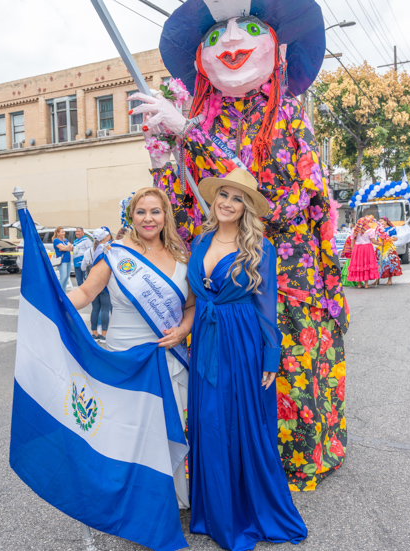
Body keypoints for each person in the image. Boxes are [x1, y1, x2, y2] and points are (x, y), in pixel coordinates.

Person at [131, 0, 349, 490]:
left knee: (284, 358)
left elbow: (276, 197)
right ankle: (224, 457)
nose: (229, 40)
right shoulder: (199, 119)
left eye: (247, 27)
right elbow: (188, 210)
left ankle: (289, 456)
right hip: (218, 271)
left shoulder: (288, 117)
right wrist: (166, 157)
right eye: (215, 34)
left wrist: (189, 133)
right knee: (221, 369)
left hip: (285, 273)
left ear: (278, 47)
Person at [187, 169, 307, 549]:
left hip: (242, 341)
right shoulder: (199, 242)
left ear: (246, 208)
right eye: (223, 195)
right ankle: (215, 510)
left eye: (237, 198)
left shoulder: (261, 248)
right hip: (205, 337)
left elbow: (266, 307)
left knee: (242, 422)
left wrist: (271, 357)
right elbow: (192, 298)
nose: (227, 202)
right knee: (208, 422)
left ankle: (247, 508)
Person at [68, 187, 195, 509]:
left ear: (165, 215)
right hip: (127, 360)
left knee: (171, 429)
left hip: (169, 358)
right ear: (131, 216)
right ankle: (138, 502)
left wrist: (183, 329)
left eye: (155, 211)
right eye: (141, 212)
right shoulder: (114, 254)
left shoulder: (182, 256)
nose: (148, 218)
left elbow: (192, 306)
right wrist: (49, 306)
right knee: (133, 433)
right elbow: (84, 293)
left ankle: (174, 497)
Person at [84, 227, 113, 343]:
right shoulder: (108, 249)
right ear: (105, 237)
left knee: (95, 308)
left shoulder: (90, 250)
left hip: (92, 281)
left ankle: (94, 332)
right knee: (105, 308)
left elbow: (82, 266)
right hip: (104, 283)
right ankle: (104, 334)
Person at [347, 216, 381, 289]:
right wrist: (381, 243)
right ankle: (366, 284)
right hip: (367, 248)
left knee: (359, 265)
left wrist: (353, 252)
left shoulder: (355, 231)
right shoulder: (370, 231)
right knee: (366, 264)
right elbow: (374, 241)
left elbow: (352, 242)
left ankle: (359, 284)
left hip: (357, 249)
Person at [377, 217, 402, 285]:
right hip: (380, 248)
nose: (380, 223)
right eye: (379, 221)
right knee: (378, 263)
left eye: (381, 221)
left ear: (386, 221)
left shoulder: (391, 229)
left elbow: (395, 238)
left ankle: (389, 279)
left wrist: (387, 238)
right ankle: (377, 280)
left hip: (388, 248)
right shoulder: (378, 229)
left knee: (389, 263)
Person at [52, 227, 73, 292]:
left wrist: (66, 247)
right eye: (62, 232)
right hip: (62, 261)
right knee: (63, 277)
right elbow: (63, 248)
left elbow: (71, 248)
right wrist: (67, 247)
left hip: (68, 260)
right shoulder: (56, 240)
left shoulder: (65, 239)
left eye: (64, 232)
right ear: (58, 233)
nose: (64, 233)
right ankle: (59, 292)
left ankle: (63, 292)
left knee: (66, 277)